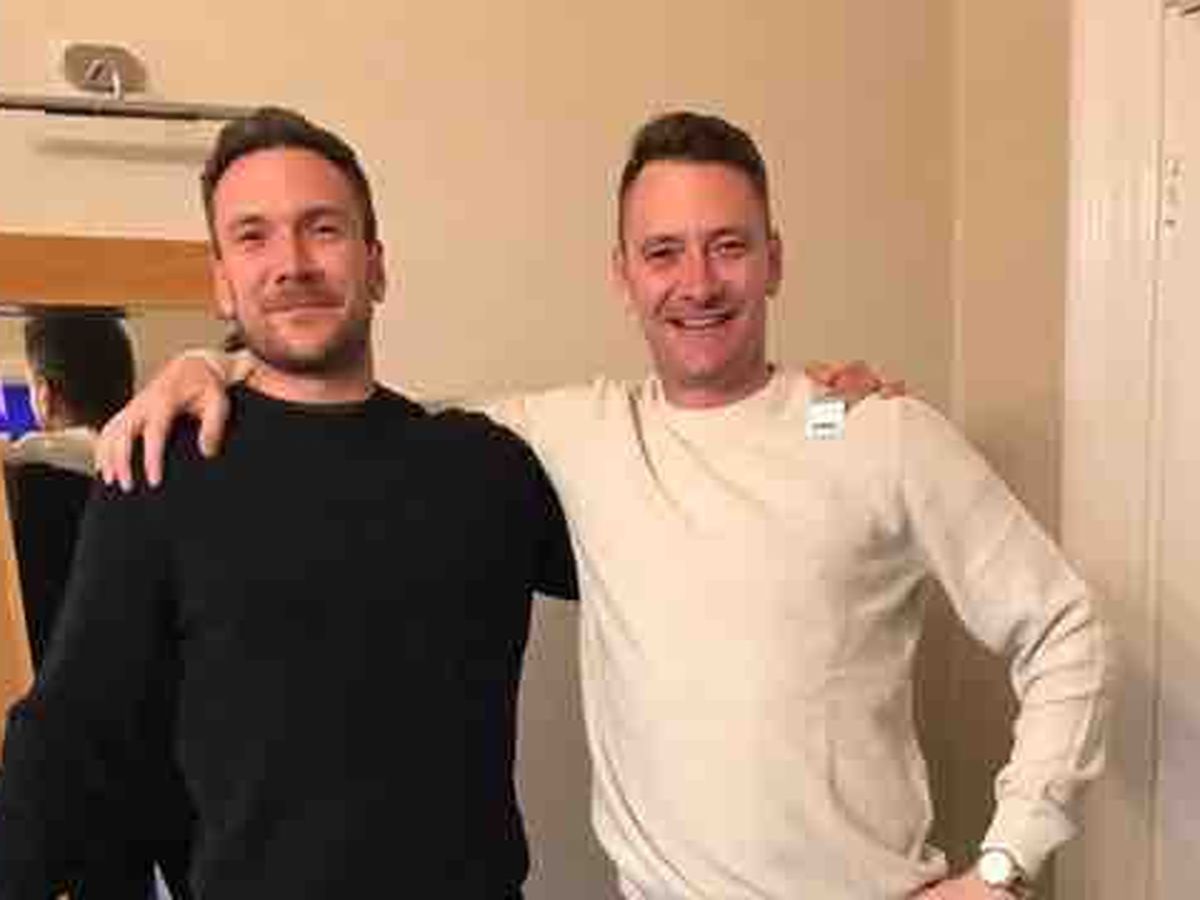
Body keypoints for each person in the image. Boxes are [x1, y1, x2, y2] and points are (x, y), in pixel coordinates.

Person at [97, 111, 1106, 899]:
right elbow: (357, 419)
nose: (697, 283)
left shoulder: (881, 437)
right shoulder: (566, 438)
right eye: (663, 252)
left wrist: (1004, 864)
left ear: (775, 259)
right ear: (623, 276)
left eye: (728, 246)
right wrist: (210, 365)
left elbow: (1067, 629)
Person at [0, 107, 577, 899]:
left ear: (376, 265)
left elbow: (668, 556)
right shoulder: (161, 472)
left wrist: (793, 411)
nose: (292, 263)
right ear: (221, 283)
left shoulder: (485, 467)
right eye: (254, 237)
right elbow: (70, 733)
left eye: (323, 229)